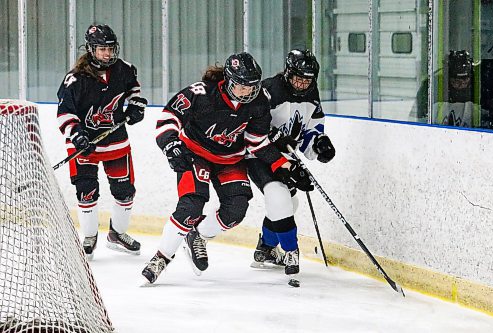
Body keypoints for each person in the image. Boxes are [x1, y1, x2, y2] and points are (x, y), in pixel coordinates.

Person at [141, 52, 312, 284]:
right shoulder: (202, 93)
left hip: (231, 159)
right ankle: (160, 258)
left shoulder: (259, 100)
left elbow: (257, 141)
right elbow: (169, 117)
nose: (247, 92)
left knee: (236, 210)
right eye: (242, 86)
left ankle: (198, 235)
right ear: (229, 80)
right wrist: (170, 144)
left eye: (252, 87)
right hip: (196, 154)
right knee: (192, 204)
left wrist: (284, 165)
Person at [56, 24, 148, 260]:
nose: (107, 54)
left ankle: (116, 235)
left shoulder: (124, 69)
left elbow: (133, 90)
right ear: (90, 49)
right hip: (85, 144)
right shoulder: (75, 79)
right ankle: (89, 236)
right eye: (101, 49)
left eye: (110, 48)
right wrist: (77, 134)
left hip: (116, 141)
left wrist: (136, 105)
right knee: (87, 192)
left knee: (124, 192)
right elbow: (65, 113)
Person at [247, 49, 335, 279]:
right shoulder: (268, 90)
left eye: (308, 80)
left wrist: (319, 143)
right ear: (288, 72)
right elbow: (250, 123)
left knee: (291, 203)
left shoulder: (311, 94)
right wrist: (274, 137)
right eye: (299, 78)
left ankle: (265, 248)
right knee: (280, 198)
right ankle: (289, 251)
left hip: (283, 156)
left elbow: (310, 128)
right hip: (258, 154)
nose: (303, 84)